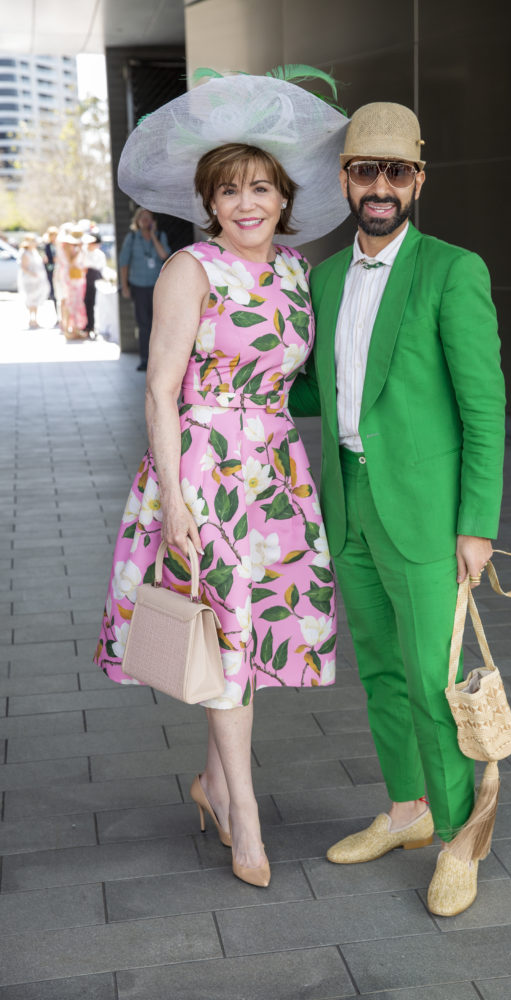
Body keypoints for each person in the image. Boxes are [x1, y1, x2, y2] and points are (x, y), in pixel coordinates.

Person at [95, 69, 350, 889]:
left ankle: (210, 783)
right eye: (229, 190)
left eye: (260, 188)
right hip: (206, 473)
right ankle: (244, 811)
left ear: (284, 197)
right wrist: (175, 503)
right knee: (233, 641)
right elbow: (159, 392)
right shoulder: (191, 268)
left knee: (241, 641)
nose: (246, 203)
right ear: (208, 200)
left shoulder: (297, 272)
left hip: (276, 474)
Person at [289, 102, 506, 917]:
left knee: (431, 680)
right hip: (347, 502)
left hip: (424, 514)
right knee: (381, 672)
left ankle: (459, 839)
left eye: (396, 172)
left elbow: (483, 407)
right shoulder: (323, 278)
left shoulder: (452, 270)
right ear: (344, 181)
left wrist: (475, 525)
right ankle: (408, 810)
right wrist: (232, 368)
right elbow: (318, 388)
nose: (379, 187)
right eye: (364, 171)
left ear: (418, 179)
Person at [118, 208, 170, 370]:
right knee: (143, 324)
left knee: (159, 323)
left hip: (157, 287)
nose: (145, 219)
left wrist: (153, 236)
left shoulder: (160, 236)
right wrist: (124, 286)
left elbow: (164, 255)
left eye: (148, 217)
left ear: (153, 221)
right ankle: (145, 359)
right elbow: (124, 263)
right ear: (137, 220)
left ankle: (159, 360)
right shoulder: (132, 238)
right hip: (138, 286)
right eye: (142, 217)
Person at [17, 233, 49, 328]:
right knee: (31, 299)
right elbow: (23, 267)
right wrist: (33, 274)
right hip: (30, 280)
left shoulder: (35, 252)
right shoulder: (25, 253)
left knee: (36, 299)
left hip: (37, 279)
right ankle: (32, 319)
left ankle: (35, 319)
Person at [83, 230, 107, 337]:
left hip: (94, 281)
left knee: (91, 304)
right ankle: (85, 326)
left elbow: (102, 268)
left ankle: (91, 326)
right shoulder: (83, 252)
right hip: (83, 281)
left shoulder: (100, 254)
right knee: (84, 304)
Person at [42, 226, 58, 304]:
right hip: (51, 267)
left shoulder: (59, 245)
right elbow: (46, 256)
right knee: (52, 284)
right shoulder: (47, 245)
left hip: (59, 267)